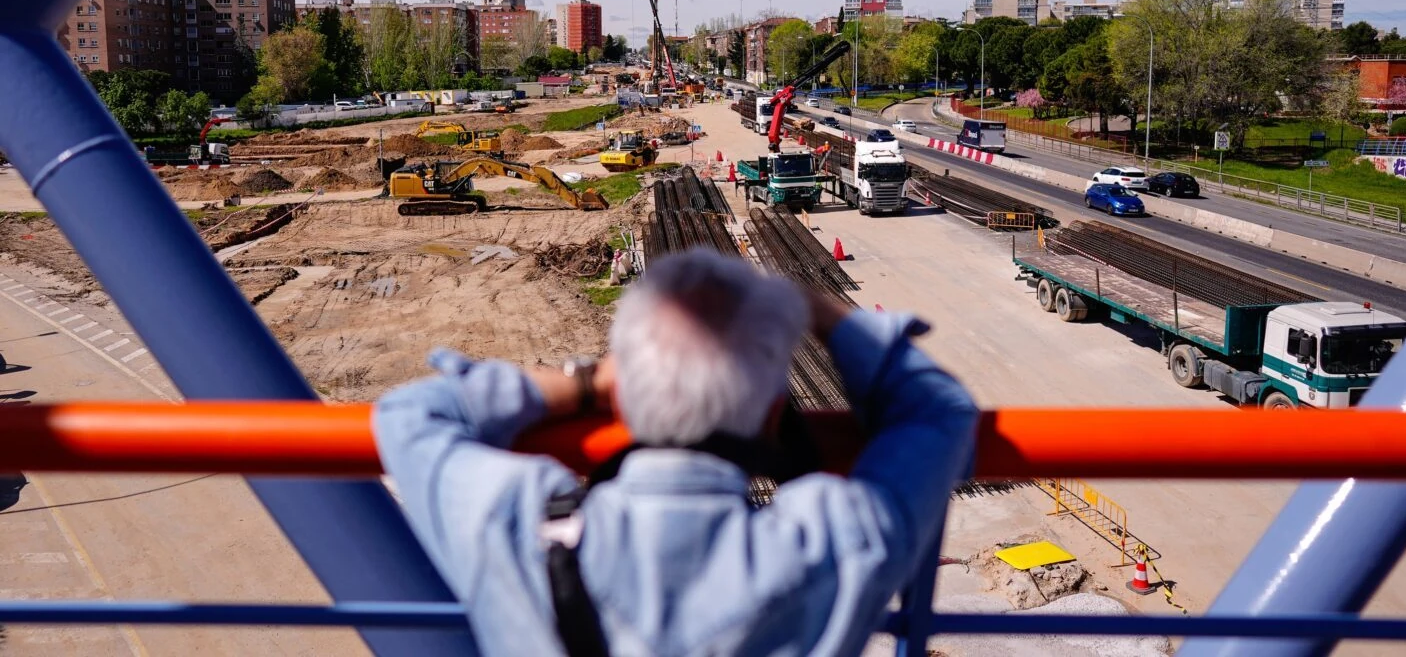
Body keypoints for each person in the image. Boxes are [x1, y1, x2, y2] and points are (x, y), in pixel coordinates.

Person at [375, 249, 978, 656]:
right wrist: (819, 310)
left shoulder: (515, 524)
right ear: (773, 413)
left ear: (624, 400)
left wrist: (583, 382)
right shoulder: (839, 539)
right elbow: (937, 412)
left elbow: (408, 416)